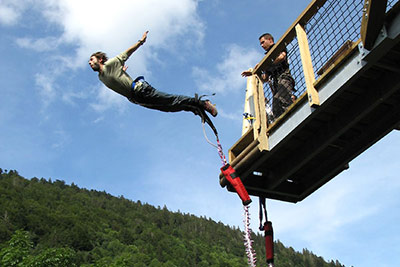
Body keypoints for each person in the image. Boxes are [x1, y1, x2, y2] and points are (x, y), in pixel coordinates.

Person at [89, 31, 217, 118]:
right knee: (169, 108)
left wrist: (140, 41)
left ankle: (203, 103)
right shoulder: (101, 77)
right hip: (137, 99)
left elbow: (127, 52)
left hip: (141, 91)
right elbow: (117, 80)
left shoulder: (110, 64)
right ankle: (196, 109)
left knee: (171, 99)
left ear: (100, 60)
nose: (90, 63)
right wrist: (122, 72)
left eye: (92, 60)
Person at [242, 33, 295, 120]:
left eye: (263, 42)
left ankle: (291, 118)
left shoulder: (277, 47)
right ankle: (279, 124)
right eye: (260, 44)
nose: (262, 45)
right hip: (276, 84)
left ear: (270, 40)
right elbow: (265, 78)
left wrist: (264, 65)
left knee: (282, 99)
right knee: (276, 105)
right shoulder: (266, 58)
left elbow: (282, 57)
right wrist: (255, 73)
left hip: (284, 78)